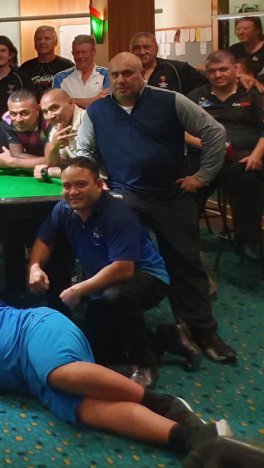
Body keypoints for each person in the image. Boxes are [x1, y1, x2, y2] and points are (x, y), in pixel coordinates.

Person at [0, 194, 230, 456]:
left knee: (60, 375)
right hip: (32, 381)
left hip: (36, 331)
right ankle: (189, 438)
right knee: (89, 410)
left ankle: (162, 403)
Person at [76, 52, 236, 363]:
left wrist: (201, 177)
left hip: (170, 193)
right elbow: (85, 151)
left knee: (187, 262)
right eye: (115, 75)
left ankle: (202, 331)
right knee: (118, 261)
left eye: (128, 73)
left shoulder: (170, 101)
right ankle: (124, 331)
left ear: (142, 76)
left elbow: (215, 132)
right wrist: (99, 182)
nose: (121, 80)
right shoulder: (96, 111)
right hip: (125, 195)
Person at [29, 157, 170, 386]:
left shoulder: (117, 214)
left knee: (116, 296)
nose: (73, 192)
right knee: (95, 350)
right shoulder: (63, 209)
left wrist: (78, 290)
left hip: (148, 276)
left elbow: (123, 269)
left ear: (98, 184)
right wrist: (34, 266)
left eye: (80, 184)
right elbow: (45, 240)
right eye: (67, 186)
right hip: (104, 282)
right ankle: (167, 338)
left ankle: (144, 364)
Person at [187, 50, 264, 258]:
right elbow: (180, 129)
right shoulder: (196, 96)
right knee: (184, 183)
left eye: (223, 69)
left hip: (242, 157)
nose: (218, 75)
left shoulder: (252, 93)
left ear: (235, 69)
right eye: (212, 71)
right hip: (204, 156)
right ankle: (187, 237)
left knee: (249, 178)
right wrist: (205, 144)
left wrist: (257, 155)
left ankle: (248, 241)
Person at [0, 90, 48, 170]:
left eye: (24, 113)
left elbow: (58, 160)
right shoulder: (7, 120)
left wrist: (12, 162)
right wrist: (44, 161)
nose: (18, 119)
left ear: (37, 108)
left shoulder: (49, 120)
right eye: (13, 114)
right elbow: (17, 154)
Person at [130, 32, 206, 94]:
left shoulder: (177, 68)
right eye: (136, 48)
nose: (142, 52)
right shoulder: (125, 72)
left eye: (147, 47)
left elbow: (205, 84)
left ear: (156, 48)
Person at [0, 36, 34, 117]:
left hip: (16, 124)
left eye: (3, 51)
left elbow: (31, 106)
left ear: (10, 55)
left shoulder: (22, 79)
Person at [52, 35, 109, 109]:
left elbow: (107, 103)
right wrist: (96, 98)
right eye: (77, 52)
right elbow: (56, 105)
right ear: (72, 53)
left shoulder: (107, 74)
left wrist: (70, 101)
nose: (80, 56)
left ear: (94, 51)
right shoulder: (60, 78)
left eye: (84, 52)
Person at [40, 87, 85, 178]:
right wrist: (54, 146)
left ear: (70, 103)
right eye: (45, 112)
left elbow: (87, 170)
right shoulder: (57, 126)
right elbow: (53, 164)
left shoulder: (88, 120)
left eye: (54, 108)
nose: (50, 116)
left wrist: (47, 172)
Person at [20, 26, 74, 98]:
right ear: (34, 43)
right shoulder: (25, 68)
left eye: (47, 38)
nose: (42, 42)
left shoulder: (67, 66)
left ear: (56, 42)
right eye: (38, 39)